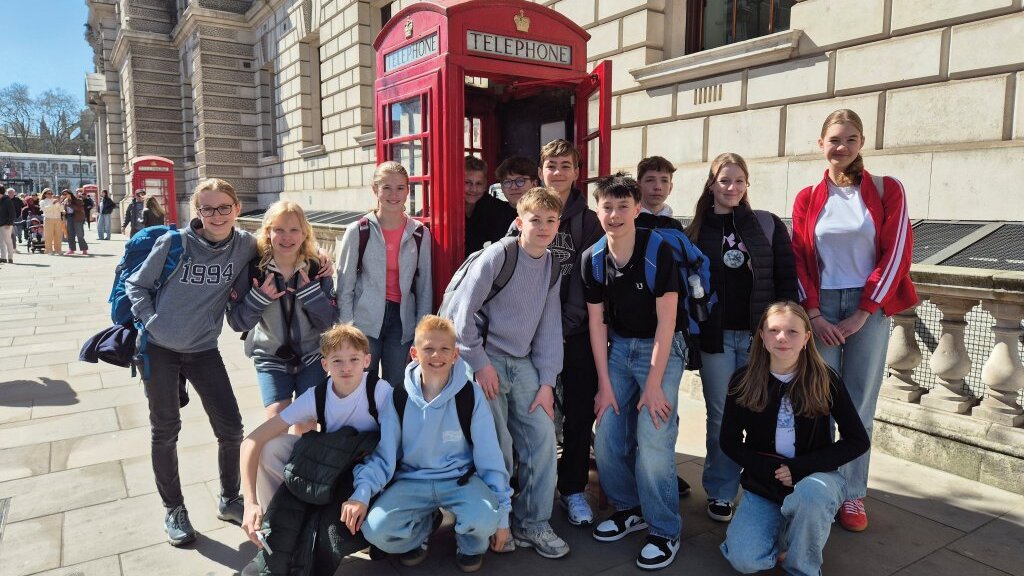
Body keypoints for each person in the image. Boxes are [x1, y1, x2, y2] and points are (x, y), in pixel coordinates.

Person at [125, 178, 334, 547]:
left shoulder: (245, 246)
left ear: (237, 209)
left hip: (203, 348)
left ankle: (229, 499)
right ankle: (174, 508)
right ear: (197, 211)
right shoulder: (174, 243)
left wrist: (321, 262)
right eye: (207, 208)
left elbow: (286, 244)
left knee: (232, 429)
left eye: (224, 207)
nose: (216, 215)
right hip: (159, 347)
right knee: (166, 430)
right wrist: (152, 322)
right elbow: (136, 285)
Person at [791, 108, 916, 533]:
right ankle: (820, 487)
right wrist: (813, 314)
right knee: (818, 400)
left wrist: (865, 311)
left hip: (870, 306)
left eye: (850, 139)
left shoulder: (886, 189)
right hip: (822, 307)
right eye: (834, 139)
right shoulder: (808, 196)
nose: (841, 147)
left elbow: (897, 252)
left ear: (861, 143)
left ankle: (851, 492)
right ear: (820, 144)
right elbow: (799, 257)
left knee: (859, 402)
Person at [445, 187, 569, 558]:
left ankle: (533, 523)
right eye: (535, 220)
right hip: (486, 359)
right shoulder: (498, 255)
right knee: (497, 446)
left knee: (542, 441)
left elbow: (549, 327)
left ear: (558, 225)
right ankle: (500, 520)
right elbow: (461, 318)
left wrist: (547, 382)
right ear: (519, 222)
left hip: (524, 362)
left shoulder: (552, 266)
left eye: (550, 221)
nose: (543, 227)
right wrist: (480, 365)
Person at [341, 316, 512, 573]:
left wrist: (503, 517)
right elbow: (384, 457)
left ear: (455, 355)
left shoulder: (470, 395)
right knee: (375, 530)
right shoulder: (398, 396)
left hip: (460, 481)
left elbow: (490, 458)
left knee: (486, 518)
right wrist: (361, 495)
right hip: (412, 481)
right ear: (414, 353)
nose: (436, 355)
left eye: (444, 349)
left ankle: (469, 544)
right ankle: (423, 528)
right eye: (428, 348)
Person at [683, 152, 798, 522]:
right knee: (721, 415)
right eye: (724, 180)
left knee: (763, 412)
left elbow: (786, 280)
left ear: (747, 185)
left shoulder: (767, 225)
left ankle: (763, 486)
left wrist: (785, 334)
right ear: (711, 184)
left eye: (738, 181)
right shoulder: (695, 231)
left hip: (758, 339)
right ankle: (721, 490)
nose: (731, 187)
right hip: (716, 338)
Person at [718, 301, 870, 576]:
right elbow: (729, 441)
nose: (782, 338)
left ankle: (802, 566)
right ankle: (791, 534)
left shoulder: (825, 379)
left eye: (792, 331)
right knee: (744, 560)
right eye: (773, 330)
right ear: (761, 336)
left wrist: (799, 468)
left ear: (807, 337)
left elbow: (858, 440)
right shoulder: (743, 380)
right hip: (765, 482)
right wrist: (769, 470)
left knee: (811, 495)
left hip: (815, 478)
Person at [583, 173, 687, 571]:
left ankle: (664, 528)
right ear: (597, 211)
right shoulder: (593, 259)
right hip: (619, 349)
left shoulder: (658, 250)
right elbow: (597, 324)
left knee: (653, 437)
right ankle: (630, 508)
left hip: (661, 348)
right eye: (607, 207)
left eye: (623, 207)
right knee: (608, 433)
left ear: (637, 209)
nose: (614, 215)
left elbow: (667, 322)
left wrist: (654, 385)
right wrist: (603, 386)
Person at [239, 323, 392, 555]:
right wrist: (250, 503)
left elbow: (394, 447)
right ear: (325, 364)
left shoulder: (380, 391)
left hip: (370, 467)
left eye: (354, 359)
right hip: (332, 464)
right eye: (337, 360)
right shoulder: (317, 395)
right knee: (270, 447)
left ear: (367, 360)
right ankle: (276, 527)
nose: (346, 367)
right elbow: (251, 441)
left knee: (376, 532)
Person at [535, 139, 604, 527]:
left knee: (578, 414)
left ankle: (573, 488)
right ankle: (536, 487)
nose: (558, 172)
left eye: (565, 165)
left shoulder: (589, 221)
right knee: (535, 415)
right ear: (541, 171)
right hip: (533, 334)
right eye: (551, 165)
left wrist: (562, 327)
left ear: (577, 172)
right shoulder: (527, 212)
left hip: (574, 332)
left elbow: (585, 278)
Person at [228, 200, 336, 426]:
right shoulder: (254, 269)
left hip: (313, 355)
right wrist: (258, 299)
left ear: (304, 233)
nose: (287, 237)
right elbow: (237, 323)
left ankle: (299, 451)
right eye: (279, 230)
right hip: (270, 355)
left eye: (294, 229)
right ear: (268, 232)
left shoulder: (317, 268)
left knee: (307, 420)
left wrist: (311, 295)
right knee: (276, 417)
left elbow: (329, 322)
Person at [337, 161, 432, 385]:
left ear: (408, 190)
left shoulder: (419, 233)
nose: (393, 194)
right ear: (375, 189)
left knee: (396, 386)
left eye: (400, 188)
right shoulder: (358, 231)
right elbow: (344, 286)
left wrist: (422, 332)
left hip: (402, 322)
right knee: (362, 384)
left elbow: (425, 287)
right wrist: (347, 328)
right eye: (386, 187)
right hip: (365, 319)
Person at [464, 155, 516, 256]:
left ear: (485, 185)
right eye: (467, 182)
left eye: (479, 183)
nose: (473, 189)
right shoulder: (447, 209)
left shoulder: (493, 207)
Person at [62, 189, 89, 255]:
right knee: (70, 234)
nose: (65, 195)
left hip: (77, 218)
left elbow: (80, 208)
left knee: (80, 234)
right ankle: (71, 249)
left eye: (66, 194)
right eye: (63, 194)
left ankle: (84, 249)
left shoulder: (78, 200)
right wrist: (64, 211)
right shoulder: (65, 201)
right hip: (69, 218)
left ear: (70, 194)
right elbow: (64, 209)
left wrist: (71, 204)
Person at [39, 189, 63, 255]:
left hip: (57, 219)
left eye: (51, 193)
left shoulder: (55, 200)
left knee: (58, 235)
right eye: (48, 193)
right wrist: (53, 204)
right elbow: (45, 209)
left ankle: (58, 250)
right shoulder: (43, 201)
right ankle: (49, 250)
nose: (50, 195)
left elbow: (61, 209)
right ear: (45, 194)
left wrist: (60, 203)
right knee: (49, 236)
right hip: (48, 219)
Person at [0, 189, 15, 263]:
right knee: (1, 241)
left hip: (6, 224)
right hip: (1, 223)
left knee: (8, 241)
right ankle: (3, 258)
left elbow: (12, 213)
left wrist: (9, 223)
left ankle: (10, 257)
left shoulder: (7, 200)